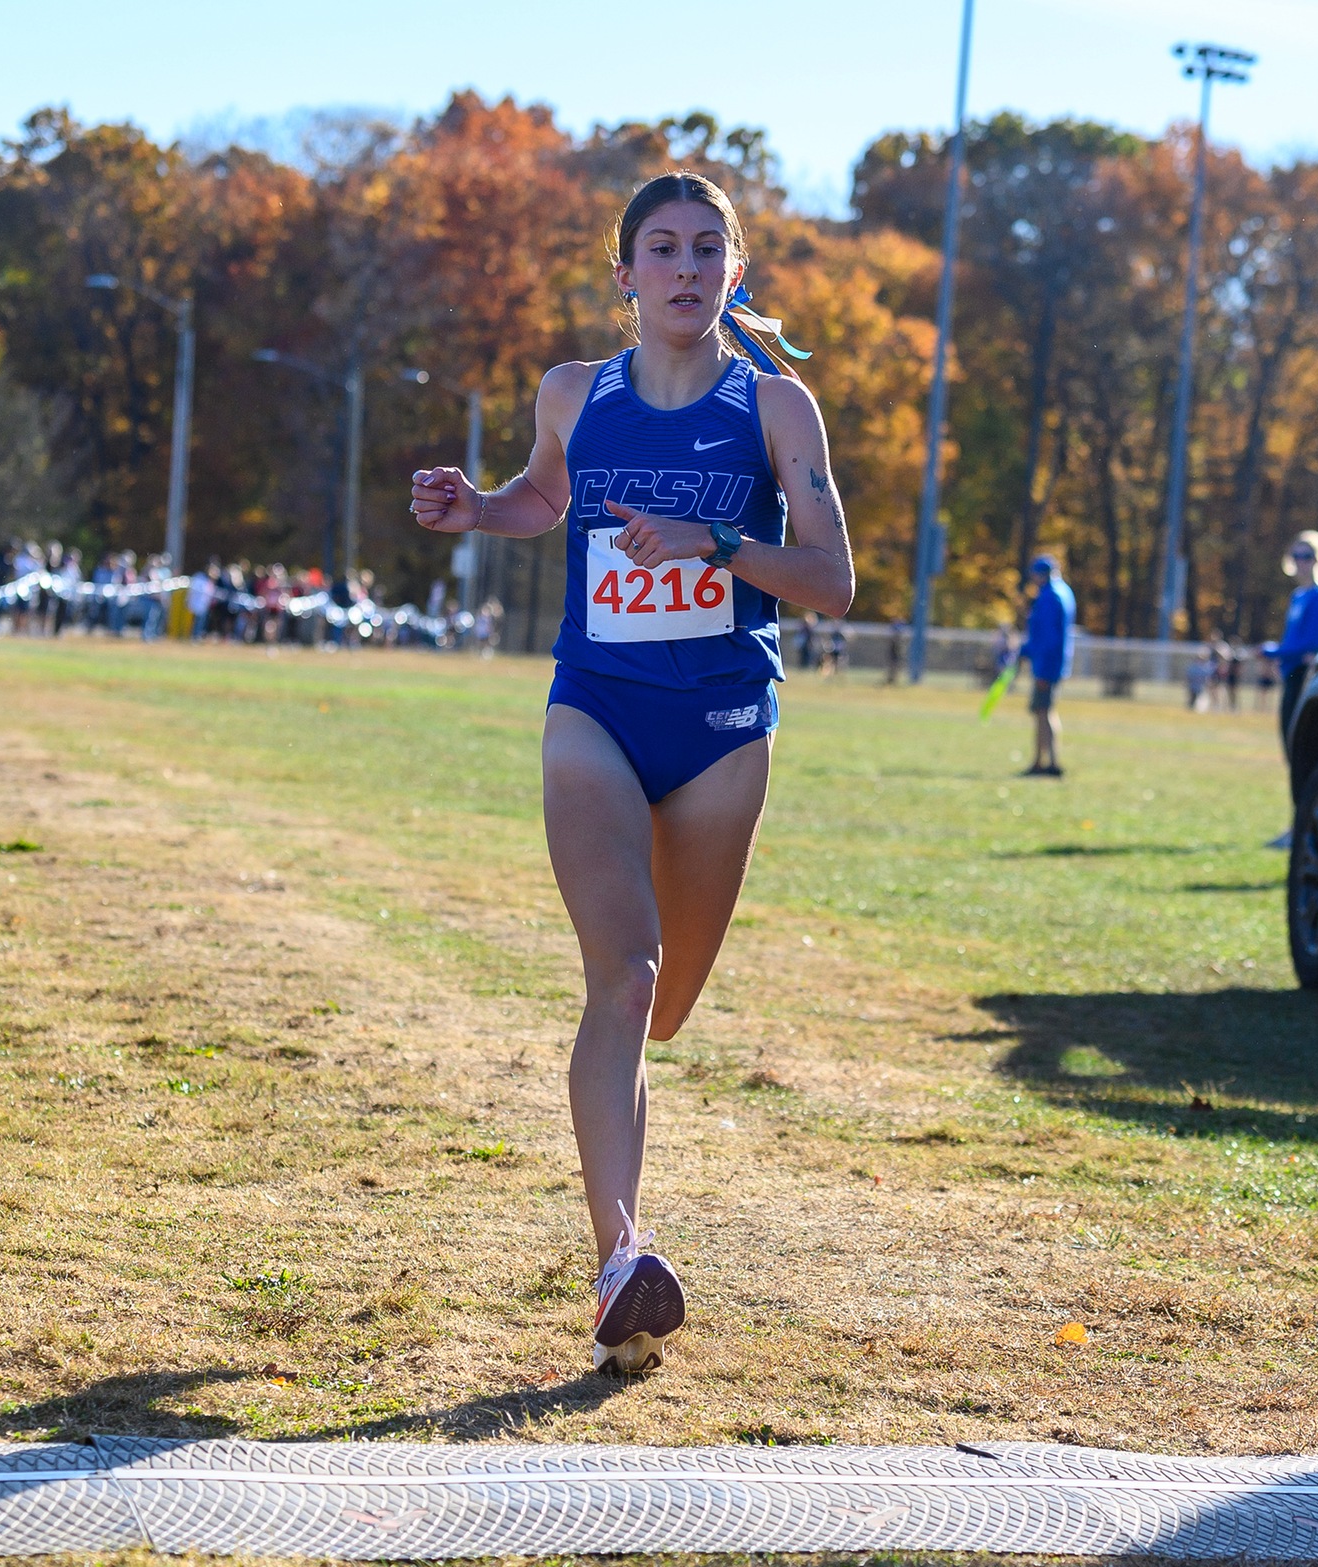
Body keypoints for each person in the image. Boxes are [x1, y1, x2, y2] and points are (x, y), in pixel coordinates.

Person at [408, 171, 854, 1375]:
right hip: (594, 713)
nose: (684, 268)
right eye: (660, 249)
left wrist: (715, 540)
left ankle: (621, 1244)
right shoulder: (573, 393)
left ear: (733, 271)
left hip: (718, 730)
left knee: (666, 1005)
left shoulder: (778, 412)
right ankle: (619, 1262)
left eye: (707, 250)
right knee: (624, 976)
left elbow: (830, 582)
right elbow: (539, 499)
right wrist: (472, 509)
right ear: (623, 275)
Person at [1265, 529, 1318, 745]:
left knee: (1299, 739)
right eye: (1296, 556)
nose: (1301, 562)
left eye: (1307, 556)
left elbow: (1314, 643)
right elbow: (1293, 638)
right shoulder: (1298, 595)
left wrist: (1274, 652)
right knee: (1287, 735)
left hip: (1306, 674)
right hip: (1291, 671)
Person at [1020, 553, 1076, 777]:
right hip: (1054, 662)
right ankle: (1046, 760)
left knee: (1043, 711)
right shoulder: (1063, 592)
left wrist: (1029, 652)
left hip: (1047, 663)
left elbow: (1047, 636)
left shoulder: (1050, 596)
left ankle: (1044, 762)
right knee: (1046, 710)